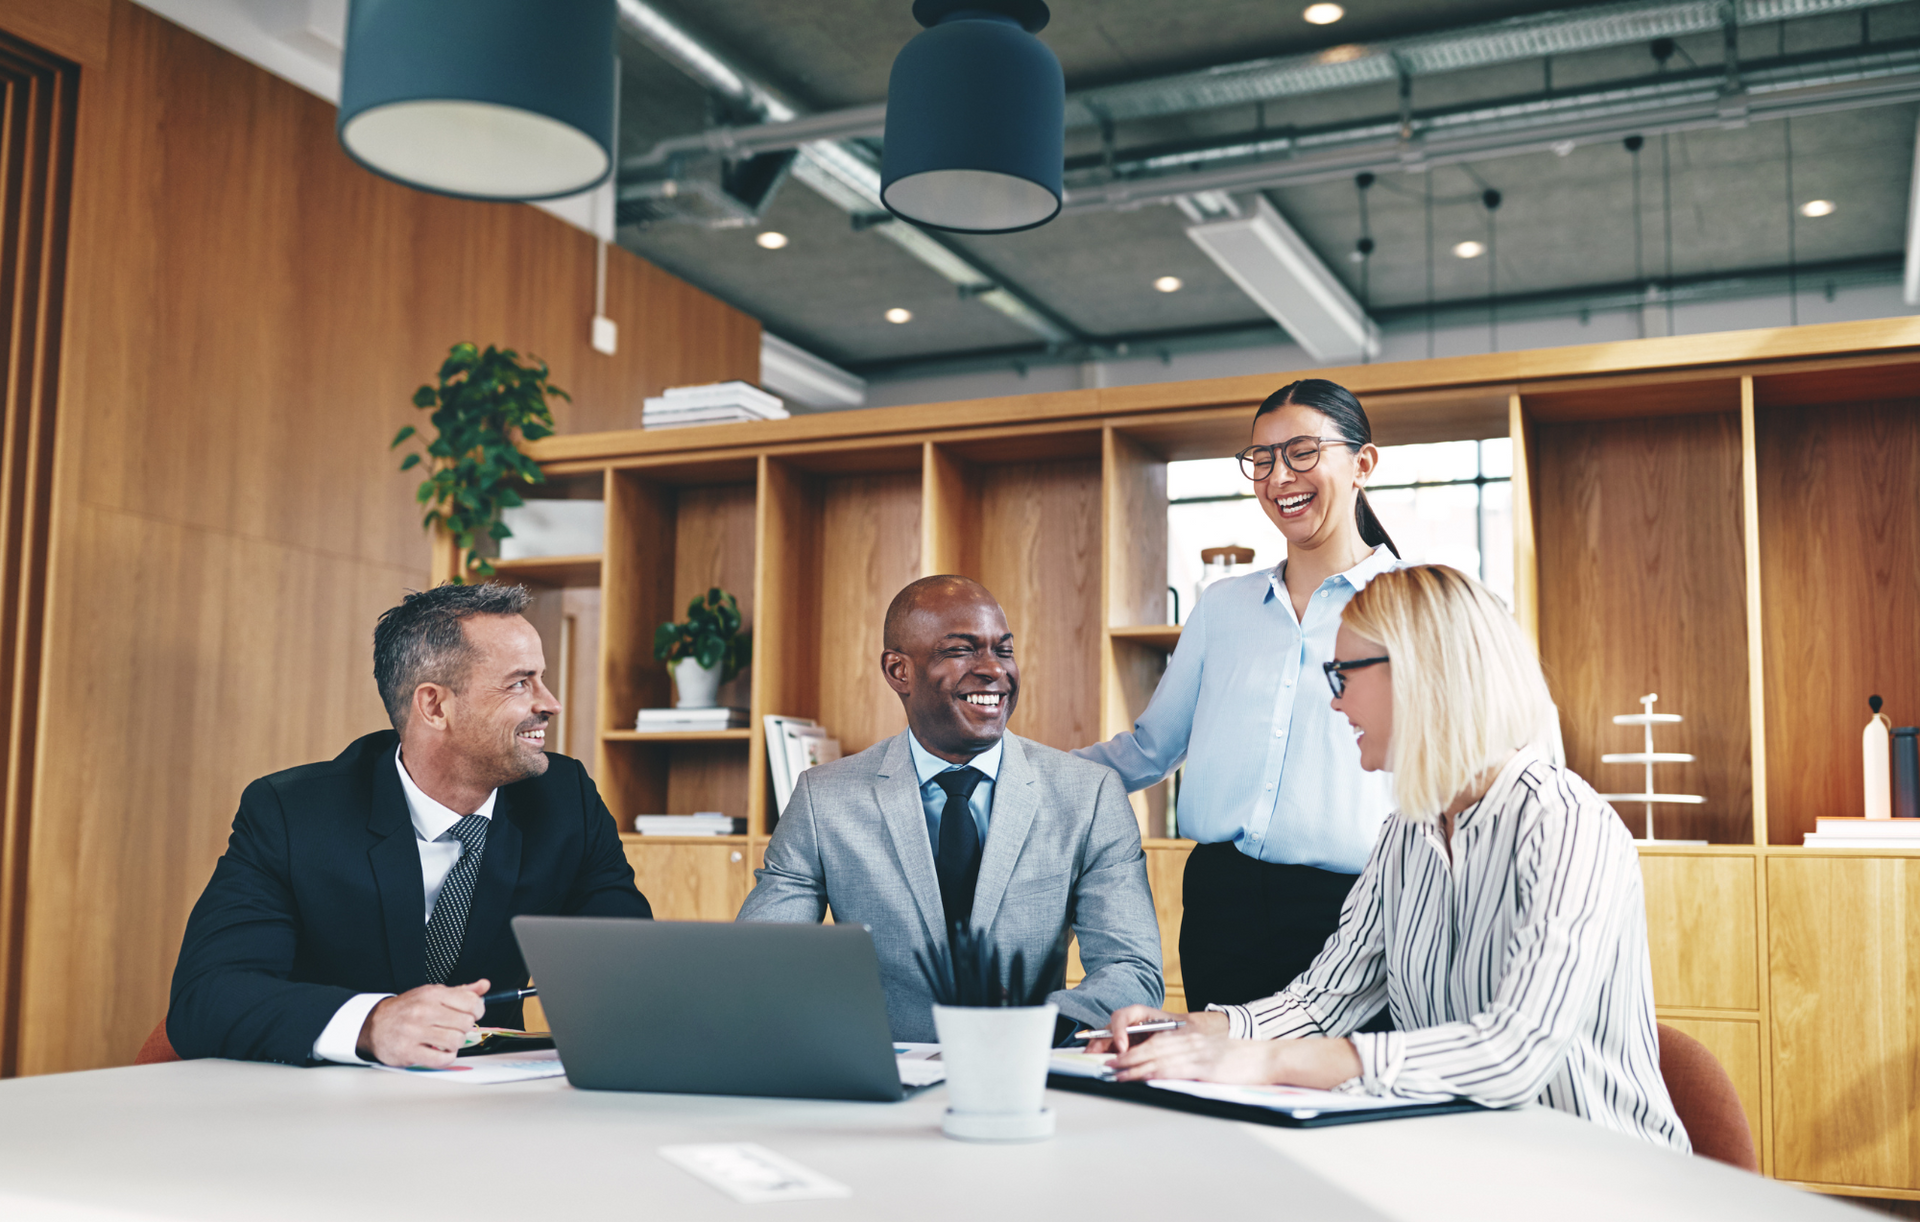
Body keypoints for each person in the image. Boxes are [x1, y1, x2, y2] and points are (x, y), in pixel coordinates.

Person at [1094, 565, 1689, 1151]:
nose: (1334, 702)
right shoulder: (1404, 837)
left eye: (1342, 674)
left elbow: (1514, 1050)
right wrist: (1196, 1030)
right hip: (1472, 1163)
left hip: (1600, 1174)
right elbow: (1322, 1002)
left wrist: (1263, 1058)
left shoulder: (1566, 824)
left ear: (1421, 672)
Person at [167, 582, 651, 1068]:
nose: (549, 703)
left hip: (497, 1106)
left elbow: (632, 969)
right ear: (435, 706)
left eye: (540, 679)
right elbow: (207, 997)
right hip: (325, 1109)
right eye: (520, 683)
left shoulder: (566, 801)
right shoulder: (291, 814)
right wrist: (373, 1023)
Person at [1074, 378, 1402, 1015]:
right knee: (1219, 1096)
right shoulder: (1221, 609)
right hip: (1222, 906)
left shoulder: (1413, 602)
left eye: (1302, 452)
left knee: (1343, 1097)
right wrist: (1024, 776)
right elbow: (1148, 749)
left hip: (1362, 907)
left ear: (1363, 463)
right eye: (1263, 458)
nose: (1280, 476)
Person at [738, 575, 1162, 1043]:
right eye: (961, 651)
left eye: (1003, 650)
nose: (993, 671)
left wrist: (1030, 1026)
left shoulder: (1090, 795)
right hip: (880, 1077)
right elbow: (760, 961)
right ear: (899, 671)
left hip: (1025, 1072)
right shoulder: (824, 799)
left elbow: (1132, 970)